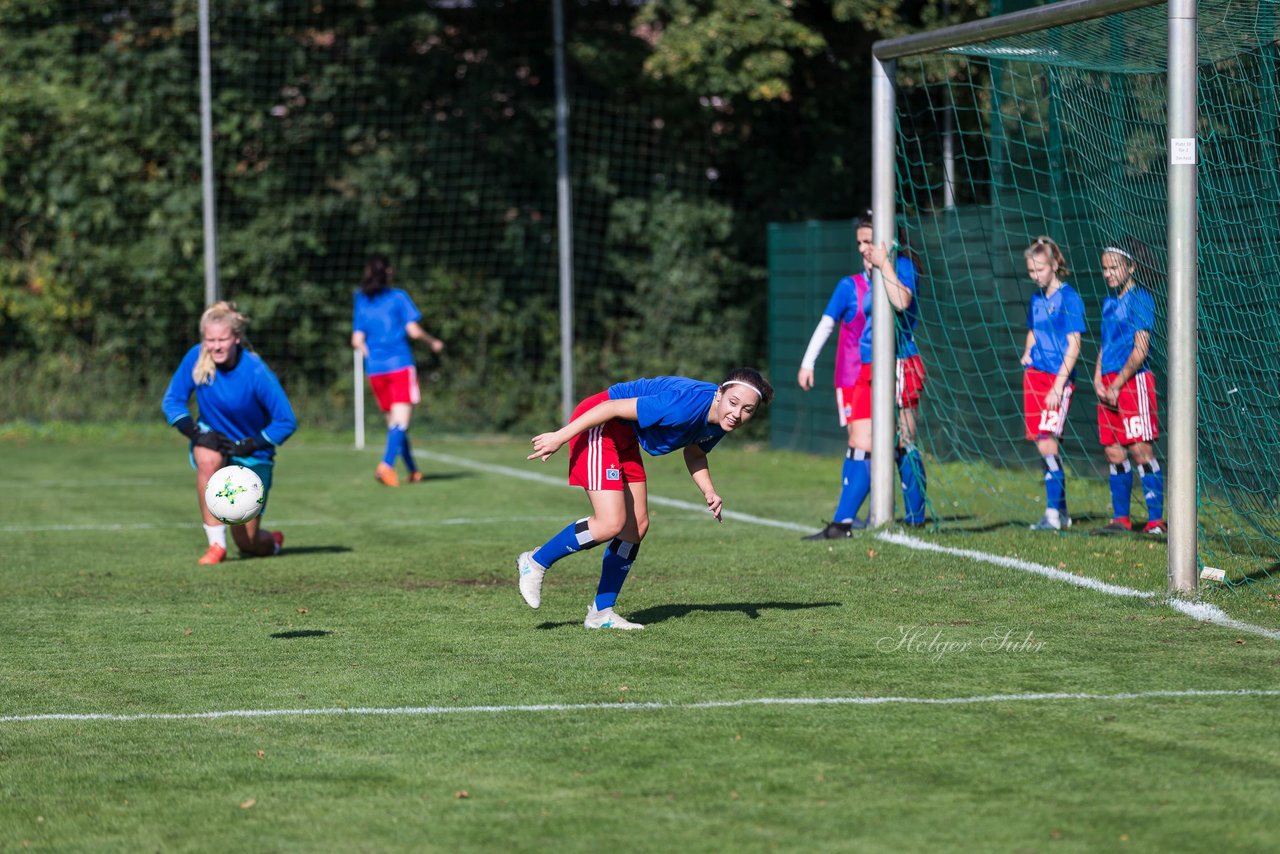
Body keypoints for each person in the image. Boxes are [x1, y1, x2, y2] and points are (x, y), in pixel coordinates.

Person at [517, 368, 774, 630]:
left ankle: (600, 613)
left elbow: (695, 453)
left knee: (635, 528)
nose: (738, 414)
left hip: (624, 434)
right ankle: (535, 562)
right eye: (733, 403)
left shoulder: (721, 420)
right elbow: (611, 407)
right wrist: (560, 437)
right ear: (719, 393)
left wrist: (709, 490)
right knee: (610, 524)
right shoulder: (682, 406)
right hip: (600, 423)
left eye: (747, 410)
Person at [797, 212, 927, 539]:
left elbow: (902, 301)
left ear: (887, 240)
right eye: (860, 243)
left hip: (900, 363)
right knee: (859, 442)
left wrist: (884, 265)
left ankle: (916, 520)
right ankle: (842, 523)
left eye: (869, 241)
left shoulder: (902, 267)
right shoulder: (860, 279)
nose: (863, 249)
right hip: (870, 366)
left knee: (903, 443)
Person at [162, 301, 298, 565]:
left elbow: (286, 421)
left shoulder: (256, 371)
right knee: (208, 458)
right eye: (210, 340)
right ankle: (216, 545)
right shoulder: (196, 357)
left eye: (222, 339)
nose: (216, 346)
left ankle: (272, 542)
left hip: (254, 454)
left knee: (248, 543)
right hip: (213, 441)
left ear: (236, 338)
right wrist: (196, 434)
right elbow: (172, 401)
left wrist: (252, 444)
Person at [1090, 242, 1165, 535]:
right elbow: (1105, 346)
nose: (1108, 274)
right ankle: (1121, 519)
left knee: (1140, 449)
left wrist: (1118, 384)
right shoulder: (1109, 303)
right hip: (1107, 384)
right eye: (1104, 268)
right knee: (1113, 451)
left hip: (1133, 382)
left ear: (1131, 267)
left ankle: (1156, 521)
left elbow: (1140, 350)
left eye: (1114, 267)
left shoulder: (1141, 299)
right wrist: (1098, 378)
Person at [351, 255, 445, 487]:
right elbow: (413, 331)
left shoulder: (362, 300)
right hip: (400, 366)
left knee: (395, 425)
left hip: (376, 371)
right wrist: (432, 342)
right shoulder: (398, 297)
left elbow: (356, 339)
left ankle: (413, 471)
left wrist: (368, 353)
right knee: (400, 424)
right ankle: (386, 465)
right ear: (389, 273)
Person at [1020, 236, 1086, 531]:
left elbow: (1074, 345)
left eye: (1040, 270)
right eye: (1031, 271)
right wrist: (1026, 352)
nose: (1035, 277)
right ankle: (1061, 512)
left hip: (1055, 380)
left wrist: (1059, 385)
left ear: (1055, 265)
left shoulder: (1069, 298)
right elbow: (1033, 331)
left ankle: (1051, 516)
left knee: (1048, 443)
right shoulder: (1036, 299)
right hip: (1034, 376)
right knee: (1042, 444)